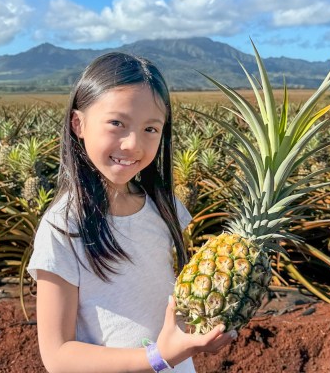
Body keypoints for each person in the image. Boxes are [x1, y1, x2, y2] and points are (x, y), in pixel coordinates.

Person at [27, 52, 236, 373]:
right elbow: (57, 356)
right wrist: (157, 357)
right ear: (78, 124)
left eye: (151, 129)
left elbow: (168, 300)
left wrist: (201, 328)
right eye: (116, 123)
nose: (133, 144)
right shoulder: (64, 227)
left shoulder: (164, 206)